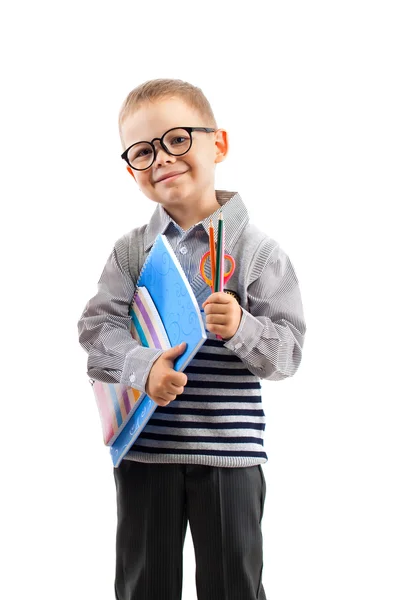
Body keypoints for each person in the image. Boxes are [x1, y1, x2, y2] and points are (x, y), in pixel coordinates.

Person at [77, 78, 306, 600]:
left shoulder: (258, 253)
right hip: (144, 451)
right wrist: (145, 366)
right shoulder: (131, 252)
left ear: (218, 144)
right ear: (131, 169)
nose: (162, 157)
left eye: (178, 139)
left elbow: (288, 354)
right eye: (143, 151)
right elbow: (96, 331)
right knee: (144, 585)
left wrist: (242, 326)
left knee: (233, 586)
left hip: (228, 454)